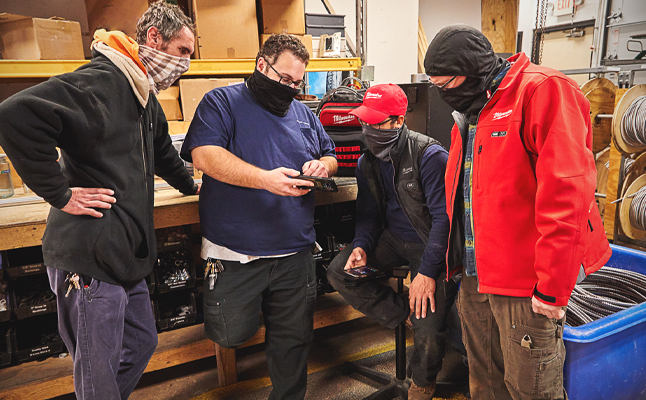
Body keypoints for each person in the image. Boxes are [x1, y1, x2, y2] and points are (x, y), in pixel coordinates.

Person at [0, 2, 199, 399]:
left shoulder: (143, 96)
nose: (185, 64)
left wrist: (191, 186)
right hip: (88, 256)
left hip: (123, 254)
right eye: (182, 52)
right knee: (97, 369)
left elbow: (161, 153)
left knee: (141, 342)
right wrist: (60, 193)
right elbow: (12, 117)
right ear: (154, 39)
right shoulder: (101, 81)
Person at [423, 25, 612, 399]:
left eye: (448, 85)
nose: (444, 95)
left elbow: (568, 194)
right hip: (477, 278)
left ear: (473, 72)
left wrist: (553, 289)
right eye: (436, 86)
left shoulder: (543, 91)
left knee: (532, 390)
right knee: (485, 385)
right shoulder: (470, 109)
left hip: (525, 286)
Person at [180, 34, 337, 400]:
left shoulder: (302, 113)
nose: (291, 89)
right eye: (284, 80)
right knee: (230, 333)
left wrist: (322, 166)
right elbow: (203, 155)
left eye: (297, 83)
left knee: (294, 340)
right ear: (261, 65)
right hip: (237, 252)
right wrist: (264, 180)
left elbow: (329, 152)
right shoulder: (222, 102)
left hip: (294, 252)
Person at [326, 83, 465, 400]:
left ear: (398, 121)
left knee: (429, 330)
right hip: (391, 242)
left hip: (431, 245)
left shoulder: (429, 156)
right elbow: (368, 214)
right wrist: (361, 244)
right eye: (365, 122)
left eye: (376, 123)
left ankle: (422, 383)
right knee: (340, 272)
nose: (368, 130)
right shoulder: (367, 163)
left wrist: (427, 273)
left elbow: (444, 221)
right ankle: (406, 313)